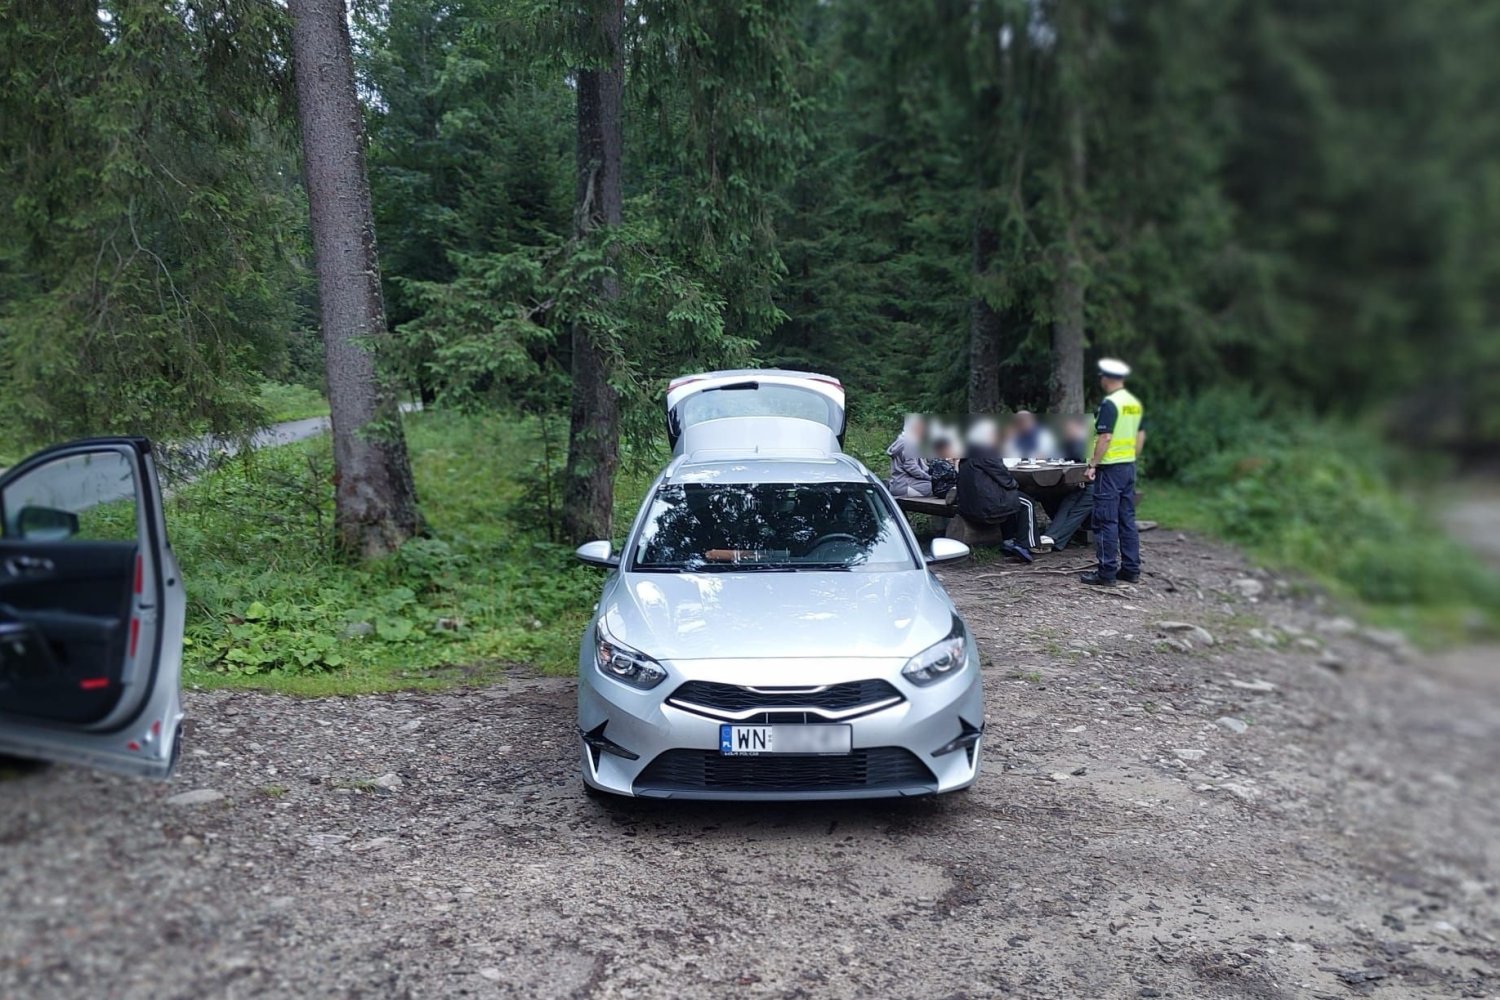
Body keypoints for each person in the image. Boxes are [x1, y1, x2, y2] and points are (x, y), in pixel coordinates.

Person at [1080, 359, 1145, 586]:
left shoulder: (1110, 404)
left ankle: (1106, 572)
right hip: (1128, 467)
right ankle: (1131, 569)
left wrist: (1093, 465)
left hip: (1110, 469)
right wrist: (1131, 457)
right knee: (1127, 519)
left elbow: (1105, 437)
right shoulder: (1133, 403)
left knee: (1105, 521)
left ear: (1106, 378)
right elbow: (1140, 436)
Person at [957, 419, 1046, 561]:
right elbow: (1005, 478)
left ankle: (1008, 540)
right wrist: (1015, 484)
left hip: (969, 505)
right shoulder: (987, 451)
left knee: (1012, 498)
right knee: (1027, 502)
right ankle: (1025, 545)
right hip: (985, 507)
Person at [1044, 417, 1094, 550]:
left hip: (1096, 484)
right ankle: (1051, 537)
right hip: (1082, 482)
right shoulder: (1070, 443)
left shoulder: (1087, 443)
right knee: (1066, 501)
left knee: (1077, 509)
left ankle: (1055, 540)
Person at [886, 414, 933, 497]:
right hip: (906, 485)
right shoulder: (909, 443)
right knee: (937, 487)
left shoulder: (902, 440)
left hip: (898, 484)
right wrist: (930, 478)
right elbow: (912, 468)